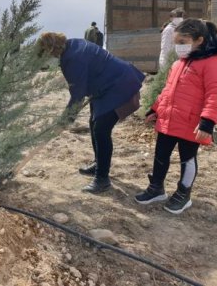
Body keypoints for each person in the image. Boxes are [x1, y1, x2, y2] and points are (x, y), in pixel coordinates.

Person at [135, 18, 217, 214]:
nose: (178, 47)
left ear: (199, 40)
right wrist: (155, 109)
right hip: (169, 120)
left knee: (188, 159)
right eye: (177, 42)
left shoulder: (214, 62)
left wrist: (207, 123)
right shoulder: (179, 64)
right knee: (161, 155)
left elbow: (216, 94)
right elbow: (168, 90)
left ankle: (183, 194)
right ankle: (156, 188)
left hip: (191, 123)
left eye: (183, 42)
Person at [37, 32, 146, 193]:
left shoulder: (73, 58)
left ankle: (102, 179)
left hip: (119, 85)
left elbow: (77, 94)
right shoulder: (73, 44)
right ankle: (98, 163)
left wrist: (65, 119)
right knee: (94, 123)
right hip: (106, 86)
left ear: (52, 49)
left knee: (101, 130)